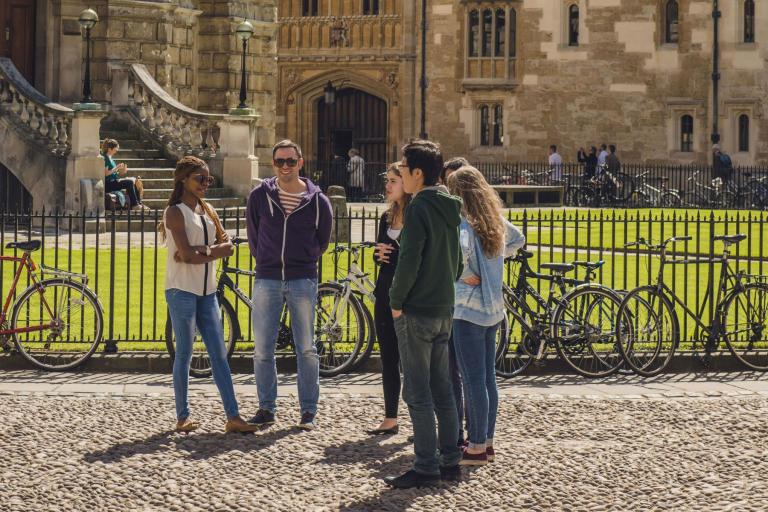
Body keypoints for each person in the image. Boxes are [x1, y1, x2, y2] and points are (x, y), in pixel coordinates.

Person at [383, 139, 463, 489]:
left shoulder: (418, 207)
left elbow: (409, 259)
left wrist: (396, 300)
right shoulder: (449, 206)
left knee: (416, 392)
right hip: (444, 308)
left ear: (417, 173)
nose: (400, 174)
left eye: (402, 169)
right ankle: (450, 460)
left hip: (416, 311)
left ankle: (426, 465)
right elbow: (457, 263)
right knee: (442, 388)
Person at [161, 156, 258, 434]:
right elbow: (188, 255)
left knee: (219, 354)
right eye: (200, 179)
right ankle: (182, 416)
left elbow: (220, 244)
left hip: (208, 291)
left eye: (208, 179)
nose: (205, 184)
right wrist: (210, 252)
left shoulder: (208, 210)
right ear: (183, 180)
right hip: (181, 290)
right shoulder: (174, 212)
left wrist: (200, 252)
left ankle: (233, 416)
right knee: (185, 354)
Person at [246, 139, 333, 430]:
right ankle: (266, 408)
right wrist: (267, 261)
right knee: (262, 349)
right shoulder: (260, 196)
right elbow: (253, 235)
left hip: (302, 279)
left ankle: (308, 410)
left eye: (290, 161)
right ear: (273, 164)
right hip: (267, 278)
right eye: (280, 161)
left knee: (306, 347)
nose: (285, 166)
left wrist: (304, 259)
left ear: (300, 162)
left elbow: (322, 239)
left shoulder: (318, 200)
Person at [446, 166, 525, 466]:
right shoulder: (494, 220)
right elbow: (518, 239)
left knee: (472, 380)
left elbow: (459, 262)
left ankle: (476, 446)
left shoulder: (463, 225)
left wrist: (464, 275)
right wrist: (494, 263)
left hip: (466, 310)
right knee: (488, 378)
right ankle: (486, 440)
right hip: (493, 310)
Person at [366, 162, 412, 436]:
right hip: (384, 291)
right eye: (388, 180)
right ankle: (390, 416)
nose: (388, 185)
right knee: (388, 357)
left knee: (414, 361)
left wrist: (394, 255)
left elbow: (415, 257)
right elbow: (382, 254)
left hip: (408, 297)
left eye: (394, 180)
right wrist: (378, 254)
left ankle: (423, 417)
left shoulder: (417, 216)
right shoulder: (385, 218)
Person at [440, 155, 471, 448]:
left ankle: (465, 434)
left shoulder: (466, 219)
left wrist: (473, 272)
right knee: (460, 374)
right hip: (453, 303)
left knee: (460, 374)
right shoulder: (455, 215)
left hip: (463, 307)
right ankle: (465, 433)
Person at [102, 139, 150, 211]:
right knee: (129, 182)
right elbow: (106, 173)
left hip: (113, 181)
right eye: (115, 149)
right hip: (108, 184)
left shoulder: (110, 158)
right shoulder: (105, 158)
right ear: (109, 149)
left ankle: (138, 203)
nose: (116, 150)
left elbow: (113, 173)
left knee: (134, 181)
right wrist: (117, 167)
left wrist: (121, 172)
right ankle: (135, 205)